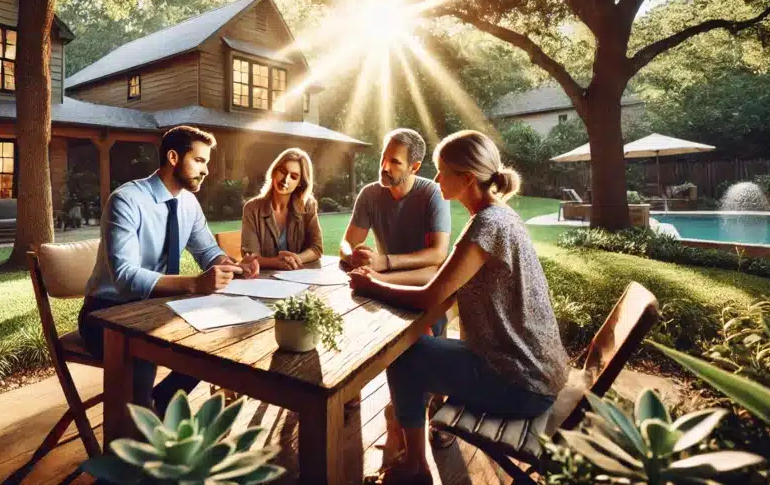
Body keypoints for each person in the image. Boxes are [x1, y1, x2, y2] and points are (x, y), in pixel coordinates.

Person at [350, 130, 569, 485]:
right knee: (418, 351)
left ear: (467, 179)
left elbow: (430, 296)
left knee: (404, 356)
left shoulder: (485, 226)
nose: (435, 179)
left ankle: (414, 466)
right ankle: (406, 440)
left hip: (522, 384)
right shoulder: (500, 216)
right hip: (536, 370)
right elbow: (447, 289)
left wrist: (372, 285)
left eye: (442, 171)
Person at [78, 125, 259, 416]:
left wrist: (231, 265)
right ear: (173, 157)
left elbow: (207, 252)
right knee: (144, 352)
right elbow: (125, 278)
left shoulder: (188, 203)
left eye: (207, 163)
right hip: (107, 314)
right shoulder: (127, 201)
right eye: (199, 161)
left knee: (217, 336)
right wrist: (194, 285)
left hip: (157, 308)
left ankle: (161, 402)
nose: (206, 171)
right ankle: (135, 433)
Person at [341, 128, 451, 287]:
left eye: (394, 161)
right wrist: (353, 256)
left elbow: (438, 254)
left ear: (414, 167)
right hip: (383, 278)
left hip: (421, 282)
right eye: (383, 158)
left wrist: (385, 262)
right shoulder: (369, 194)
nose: (384, 168)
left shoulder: (432, 193)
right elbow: (347, 243)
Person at [241, 148, 324, 270]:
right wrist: (275, 263)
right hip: (263, 281)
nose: (286, 180)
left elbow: (317, 248)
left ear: (300, 183)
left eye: (294, 176)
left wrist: (296, 259)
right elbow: (250, 257)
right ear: (274, 171)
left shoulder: (308, 206)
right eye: (283, 171)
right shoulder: (252, 208)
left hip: (298, 277)